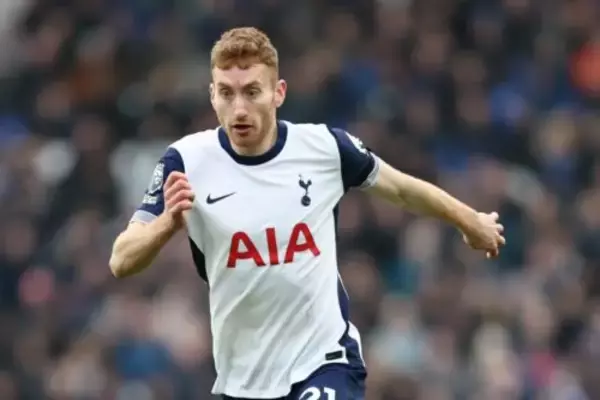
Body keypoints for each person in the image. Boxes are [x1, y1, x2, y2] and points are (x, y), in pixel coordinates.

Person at [109, 27, 505, 400]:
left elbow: (401, 189)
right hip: (244, 380)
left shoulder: (324, 148)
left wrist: (470, 220)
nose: (239, 108)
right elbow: (121, 260)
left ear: (278, 93)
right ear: (212, 95)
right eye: (227, 93)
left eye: (252, 92)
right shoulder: (185, 161)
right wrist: (166, 224)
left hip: (324, 361)